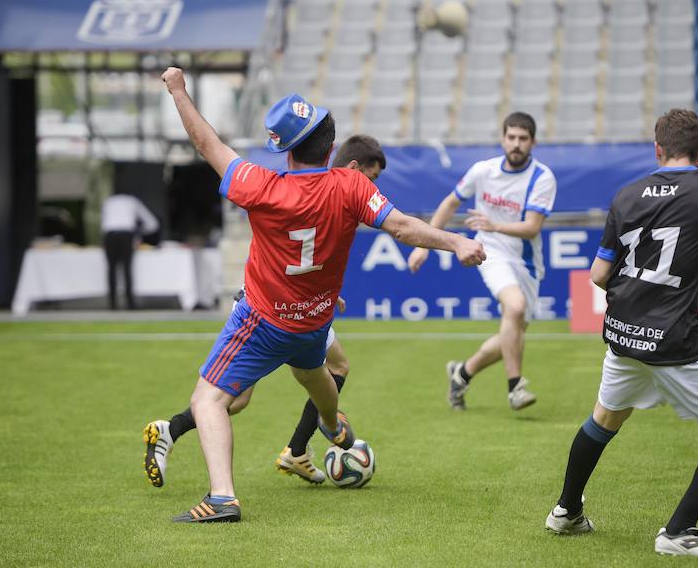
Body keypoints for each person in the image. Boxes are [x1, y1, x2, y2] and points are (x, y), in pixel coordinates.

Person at [159, 67, 485, 523]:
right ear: (331, 148)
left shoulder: (261, 185)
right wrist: (457, 242)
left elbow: (206, 144)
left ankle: (222, 498)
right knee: (319, 378)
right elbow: (403, 227)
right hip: (315, 321)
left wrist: (178, 91)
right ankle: (332, 426)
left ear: (284, 149)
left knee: (207, 399)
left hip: (264, 319)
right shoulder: (351, 185)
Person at [544, 109, 698, 557]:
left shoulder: (627, 194)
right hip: (675, 341)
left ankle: (566, 511)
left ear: (657, 147)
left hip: (622, 335)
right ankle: (679, 531)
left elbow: (599, 275)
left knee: (605, 419)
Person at [143, 134, 389, 488]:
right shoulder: (325, 191)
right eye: (372, 178)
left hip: (293, 307)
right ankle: (182, 434)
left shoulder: (330, 193)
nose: (373, 187)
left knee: (303, 377)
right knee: (240, 397)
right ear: (353, 168)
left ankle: (295, 448)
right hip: (269, 308)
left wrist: (323, 293)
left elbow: (309, 257)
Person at [408, 112, 556, 411]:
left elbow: (532, 227)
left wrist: (494, 224)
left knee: (511, 333)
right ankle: (515, 388)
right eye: (511, 137)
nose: (516, 144)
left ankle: (461, 373)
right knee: (514, 308)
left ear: (533, 142)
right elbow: (451, 202)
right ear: (502, 139)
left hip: (526, 262)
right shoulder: (483, 170)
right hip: (488, 251)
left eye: (523, 139)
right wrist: (425, 245)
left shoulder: (543, 177)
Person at [100, 194, 159, 309]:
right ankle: (130, 303)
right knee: (127, 268)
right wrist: (139, 233)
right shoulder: (133, 201)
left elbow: (103, 223)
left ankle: (112, 303)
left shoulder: (108, 202)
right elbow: (152, 224)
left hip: (109, 235)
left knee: (111, 269)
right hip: (126, 235)